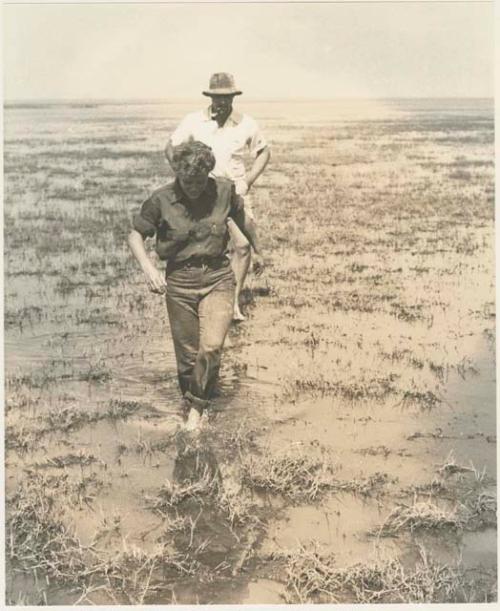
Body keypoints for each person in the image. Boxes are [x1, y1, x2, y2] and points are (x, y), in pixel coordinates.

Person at [128, 140, 263, 431]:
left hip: (218, 277)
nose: (193, 187)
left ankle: (196, 412)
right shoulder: (161, 200)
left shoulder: (224, 191)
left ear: (208, 174)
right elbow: (135, 236)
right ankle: (192, 403)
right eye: (187, 181)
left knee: (212, 346)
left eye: (200, 181)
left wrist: (259, 250)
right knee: (188, 358)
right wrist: (149, 268)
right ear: (178, 173)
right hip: (179, 282)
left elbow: (244, 222)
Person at [165, 72, 270, 321]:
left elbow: (264, 152)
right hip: (203, 196)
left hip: (234, 194)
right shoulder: (193, 121)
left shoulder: (246, 123)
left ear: (234, 96)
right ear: (210, 96)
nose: (222, 102)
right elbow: (170, 148)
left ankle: (232, 304)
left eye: (227, 97)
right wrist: (185, 177)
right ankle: (199, 299)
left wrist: (247, 181)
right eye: (217, 97)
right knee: (207, 249)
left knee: (243, 247)